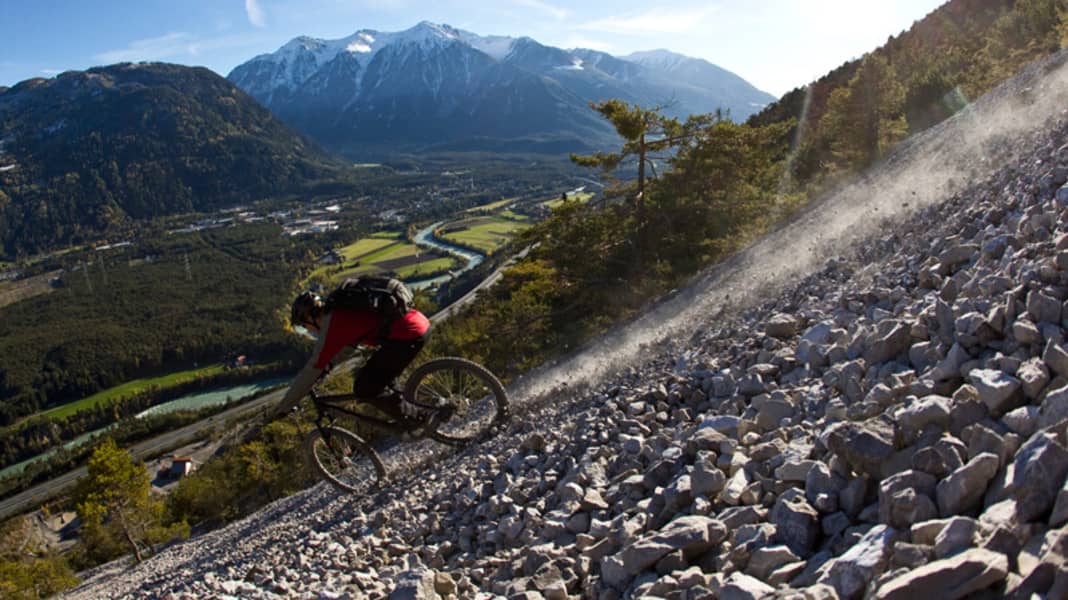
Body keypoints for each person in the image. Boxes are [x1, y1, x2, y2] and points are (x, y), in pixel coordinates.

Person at [277, 289, 431, 428]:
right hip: (417, 324)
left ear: (309, 317)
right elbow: (347, 348)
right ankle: (416, 411)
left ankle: (419, 419)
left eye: (304, 326)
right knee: (378, 378)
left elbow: (312, 368)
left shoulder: (333, 324)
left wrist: (283, 407)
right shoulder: (339, 311)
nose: (306, 330)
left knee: (364, 388)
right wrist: (328, 366)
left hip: (407, 336)